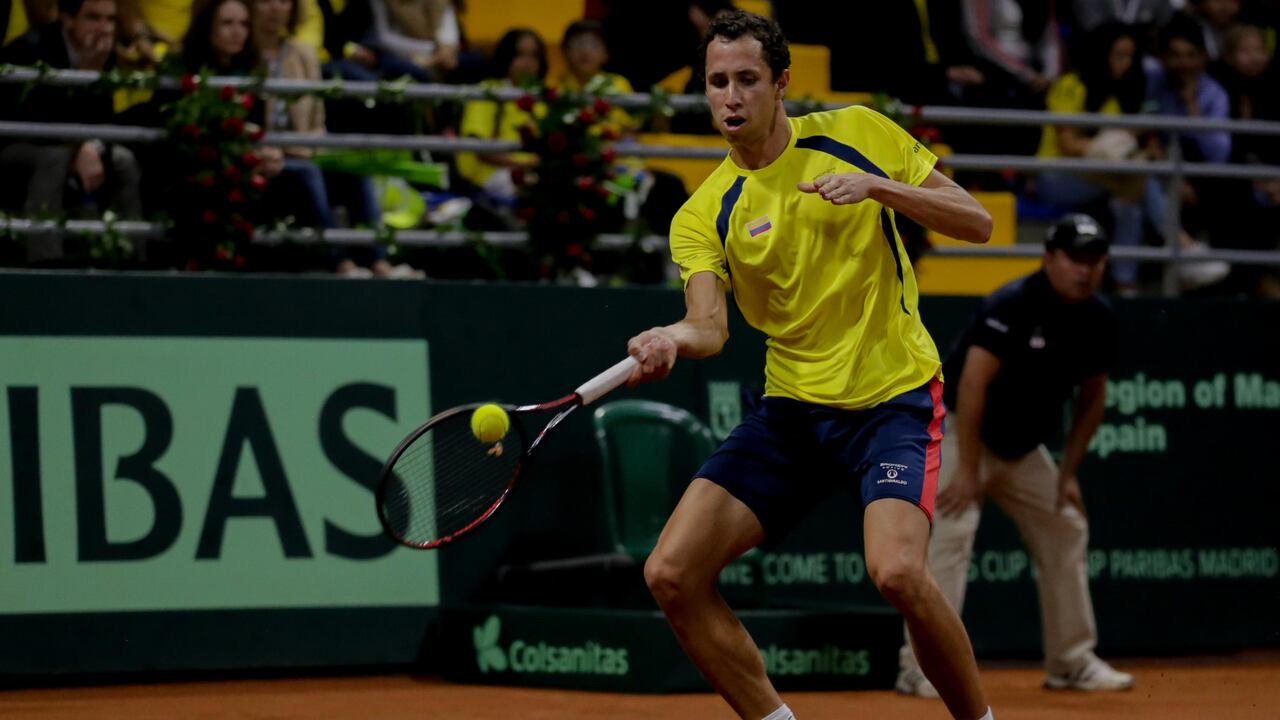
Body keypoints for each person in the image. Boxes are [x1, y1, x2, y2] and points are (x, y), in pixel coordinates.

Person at [624, 11, 995, 720]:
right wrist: (671, 337)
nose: (731, 97)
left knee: (897, 573)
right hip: (793, 412)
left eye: (747, 79)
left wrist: (879, 188)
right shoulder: (703, 212)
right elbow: (709, 327)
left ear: (781, 83)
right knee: (671, 573)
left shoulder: (856, 132)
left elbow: (975, 223)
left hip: (891, 398)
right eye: (717, 83)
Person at [896, 213, 1134, 699]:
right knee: (952, 532)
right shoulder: (1013, 303)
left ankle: (1071, 662)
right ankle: (921, 668)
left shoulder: (1099, 319)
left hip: (1022, 449)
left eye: (1094, 260)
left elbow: (1093, 398)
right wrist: (967, 472)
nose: (1085, 269)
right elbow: (972, 386)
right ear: (1049, 258)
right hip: (963, 432)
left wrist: (1067, 474)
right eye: (1074, 258)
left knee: (1065, 526)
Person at [0, 0, 143, 264]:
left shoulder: (104, 52)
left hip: (73, 144)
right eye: (94, 18)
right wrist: (78, 148)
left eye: (110, 20)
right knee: (54, 158)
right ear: (67, 19)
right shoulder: (32, 48)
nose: (105, 29)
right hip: (18, 146)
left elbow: (104, 121)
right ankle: (46, 263)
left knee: (124, 160)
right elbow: (38, 121)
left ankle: (133, 259)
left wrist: (90, 146)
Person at [1034, 24, 1150, 295]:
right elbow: (1067, 145)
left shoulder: (1118, 97)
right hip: (1057, 177)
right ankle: (1181, 243)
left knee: (1129, 203)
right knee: (1140, 183)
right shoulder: (1070, 86)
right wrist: (1111, 147)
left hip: (1103, 177)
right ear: (1101, 54)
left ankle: (1125, 283)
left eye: (1130, 56)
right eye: (1119, 55)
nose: (1126, 63)